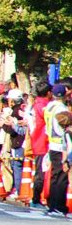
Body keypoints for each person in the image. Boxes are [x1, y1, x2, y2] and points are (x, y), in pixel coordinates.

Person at [43, 83, 70, 215]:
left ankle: (52, 204)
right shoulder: (62, 109)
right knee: (61, 177)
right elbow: (63, 128)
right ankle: (58, 205)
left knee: (55, 176)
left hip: (52, 143)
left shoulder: (49, 107)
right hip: (61, 145)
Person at [29, 81, 51, 209]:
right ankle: (36, 199)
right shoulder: (44, 106)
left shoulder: (36, 104)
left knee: (40, 171)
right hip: (43, 142)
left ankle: (38, 198)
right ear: (48, 93)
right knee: (41, 172)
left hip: (38, 141)